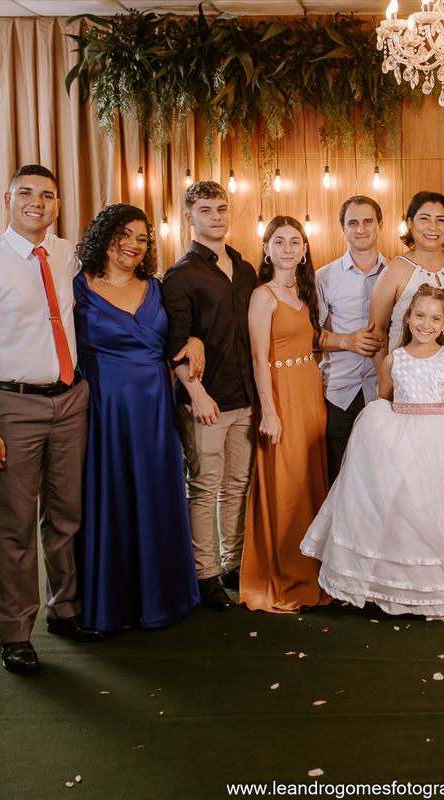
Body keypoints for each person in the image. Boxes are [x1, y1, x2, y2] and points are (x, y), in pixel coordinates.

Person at [0, 164, 102, 673]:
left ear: (57, 204)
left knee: (67, 515)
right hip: (12, 406)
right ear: (8, 200)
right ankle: (14, 632)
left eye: (48, 195)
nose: (38, 202)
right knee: (13, 525)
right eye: (27, 193)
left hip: (71, 401)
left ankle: (66, 609)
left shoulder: (67, 254)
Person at [301, 285, 444, 622]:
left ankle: (437, 592)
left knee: (435, 515)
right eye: (420, 316)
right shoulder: (393, 359)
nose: (426, 324)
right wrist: (375, 438)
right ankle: (398, 589)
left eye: (435, 319)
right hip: (402, 447)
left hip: (442, 445)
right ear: (408, 317)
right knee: (404, 514)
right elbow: (384, 399)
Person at [74, 204, 202, 633]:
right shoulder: (77, 285)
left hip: (153, 408)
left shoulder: (156, 287)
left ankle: (163, 597)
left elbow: (180, 332)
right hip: (104, 410)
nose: (133, 244)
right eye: (123, 234)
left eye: (142, 238)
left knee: (155, 492)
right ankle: (114, 603)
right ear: (104, 236)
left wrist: (196, 339)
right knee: (109, 496)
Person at [161, 181, 258, 609]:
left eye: (221, 208)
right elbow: (175, 343)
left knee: (237, 484)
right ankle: (205, 575)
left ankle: (233, 562)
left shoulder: (246, 268)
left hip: (244, 397)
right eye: (205, 210)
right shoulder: (181, 274)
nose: (216, 217)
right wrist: (196, 393)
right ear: (189, 217)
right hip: (206, 401)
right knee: (204, 487)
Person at [240, 216, 331, 614]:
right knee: (288, 484)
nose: (288, 249)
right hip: (282, 397)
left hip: (310, 394)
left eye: (295, 242)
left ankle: (315, 570)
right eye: (279, 241)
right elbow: (258, 357)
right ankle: (290, 575)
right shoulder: (264, 295)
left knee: (310, 481)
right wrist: (269, 412)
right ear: (267, 249)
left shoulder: (304, 291)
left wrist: (350, 341)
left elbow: (314, 341)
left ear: (305, 250)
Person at [316, 196, 390, 486]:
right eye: (353, 223)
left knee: (380, 477)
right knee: (339, 479)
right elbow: (309, 335)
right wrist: (346, 340)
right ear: (343, 229)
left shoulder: (397, 272)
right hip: (338, 392)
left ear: (380, 225)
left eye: (368, 221)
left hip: (385, 392)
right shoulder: (324, 278)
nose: (361, 229)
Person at [371, 191, 444, 360]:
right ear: (410, 223)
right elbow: (377, 331)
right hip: (403, 372)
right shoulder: (393, 271)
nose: (433, 226)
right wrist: (383, 373)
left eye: (441, 220)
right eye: (424, 218)